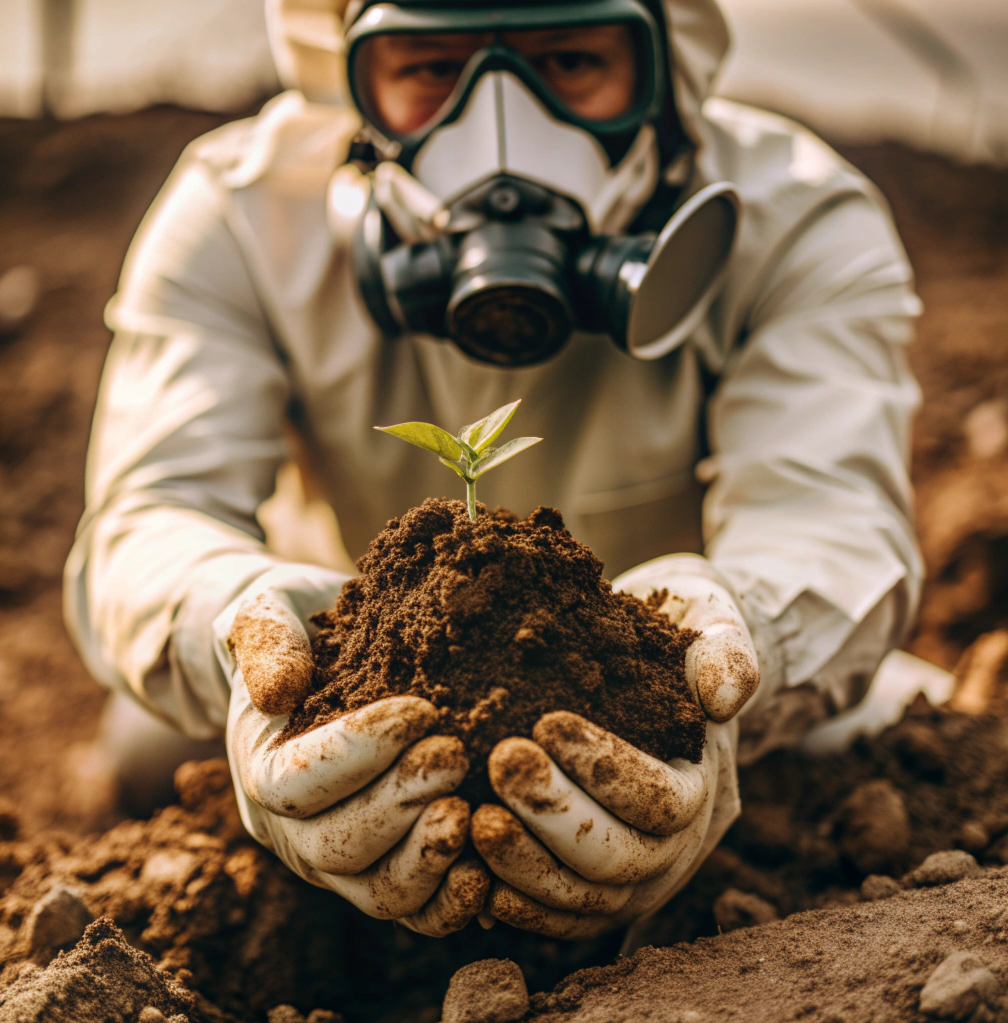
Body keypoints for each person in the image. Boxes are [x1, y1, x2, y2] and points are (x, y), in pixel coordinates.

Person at [64, 0, 924, 940]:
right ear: (351, 81)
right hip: (366, 693)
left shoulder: (792, 216)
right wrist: (243, 623)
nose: (501, 130)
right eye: (431, 70)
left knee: (883, 733)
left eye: (567, 61)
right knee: (153, 746)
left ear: (663, 73)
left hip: (649, 694)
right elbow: (145, 519)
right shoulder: (240, 212)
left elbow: (836, 526)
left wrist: (737, 641)